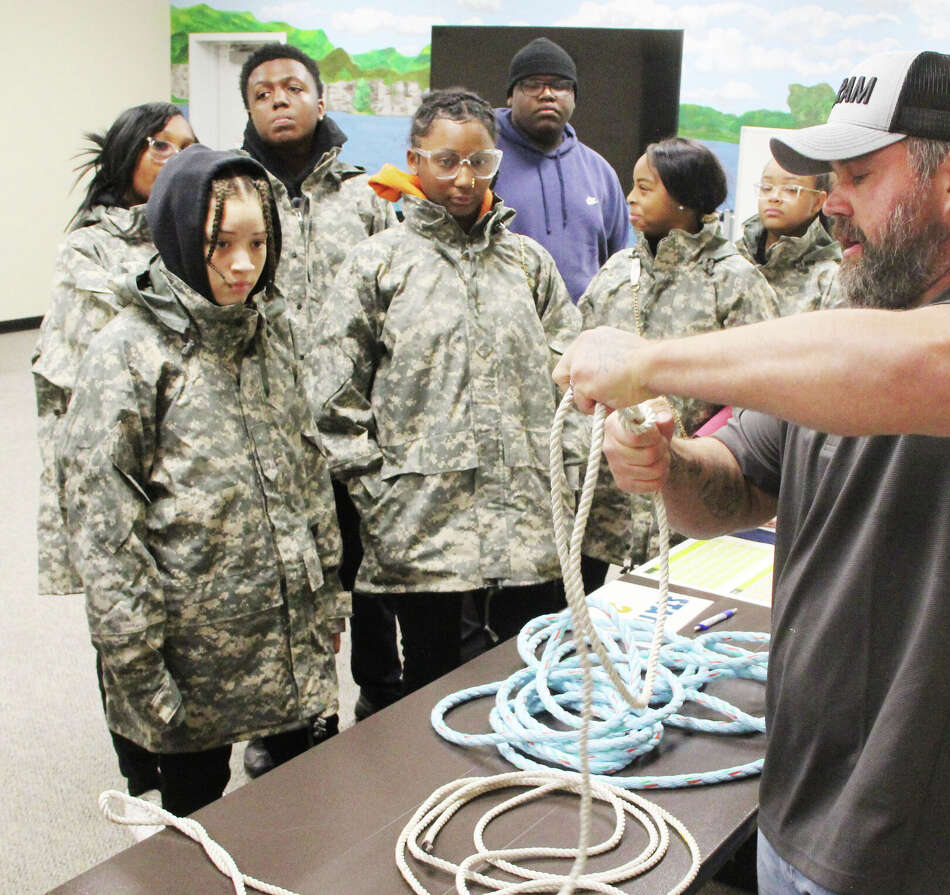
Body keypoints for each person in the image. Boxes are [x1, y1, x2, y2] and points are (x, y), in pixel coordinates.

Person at [555, 50, 950, 895]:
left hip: (948, 852)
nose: (831, 203)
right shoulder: (850, 334)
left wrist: (649, 361)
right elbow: (735, 480)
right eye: (829, 180)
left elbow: (926, 365)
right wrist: (666, 463)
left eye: (859, 176)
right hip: (803, 810)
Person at [60, 146, 347, 819]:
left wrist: (327, 597)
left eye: (258, 243)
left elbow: (308, 471)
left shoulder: (270, 332)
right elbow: (105, 527)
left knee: (302, 812)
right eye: (221, 244)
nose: (244, 264)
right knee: (193, 824)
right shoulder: (129, 352)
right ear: (181, 236)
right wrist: (136, 662)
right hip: (190, 653)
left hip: (287, 633)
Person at [308, 89, 581, 695]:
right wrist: (378, 495)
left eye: (480, 162)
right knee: (431, 692)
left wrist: (566, 477)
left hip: (529, 527)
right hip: (421, 535)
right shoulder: (376, 265)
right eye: (447, 161)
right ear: (415, 160)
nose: (464, 178)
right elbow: (332, 399)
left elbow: (574, 384)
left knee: (531, 684)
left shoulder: (529, 264)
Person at [31, 102, 197, 800]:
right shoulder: (88, 249)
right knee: (125, 608)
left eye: (187, 146)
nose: (176, 156)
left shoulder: (199, 231)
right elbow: (75, 374)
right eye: (160, 144)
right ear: (127, 154)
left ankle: (184, 747)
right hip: (115, 453)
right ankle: (139, 765)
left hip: (189, 454)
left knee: (183, 607)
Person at [238, 43, 400, 744]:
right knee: (284, 577)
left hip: (357, 421)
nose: (279, 99)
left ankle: (382, 695)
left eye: (292, 87)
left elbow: (396, 305)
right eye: (262, 93)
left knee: (370, 568)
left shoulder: (368, 198)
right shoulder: (234, 196)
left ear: (321, 100)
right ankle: (291, 720)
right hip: (267, 429)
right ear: (249, 111)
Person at [575, 137, 778, 592]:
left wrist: (700, 453)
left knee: (680, 609)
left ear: (685, 197)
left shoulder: (734, 280)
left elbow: (760, 392)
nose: (630, 198)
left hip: (695, 489)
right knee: (591, 614)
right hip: (607, 492)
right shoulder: (616, 272)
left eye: (645, 188)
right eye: (632, 186)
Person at [494, 36, 629, 303]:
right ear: (510, 95)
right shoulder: (482, 162)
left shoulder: (600, 173)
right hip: (504, 322)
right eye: (532, 84)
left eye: (560, 85)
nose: (547, 94)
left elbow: (619, 266)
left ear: (574, 97)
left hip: (583, 325)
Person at [737, 157, 845, 314]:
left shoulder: (830, 279)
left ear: (818, 201)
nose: (774, 197)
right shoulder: (733, 262)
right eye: (766, 187)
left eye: (791, 189)